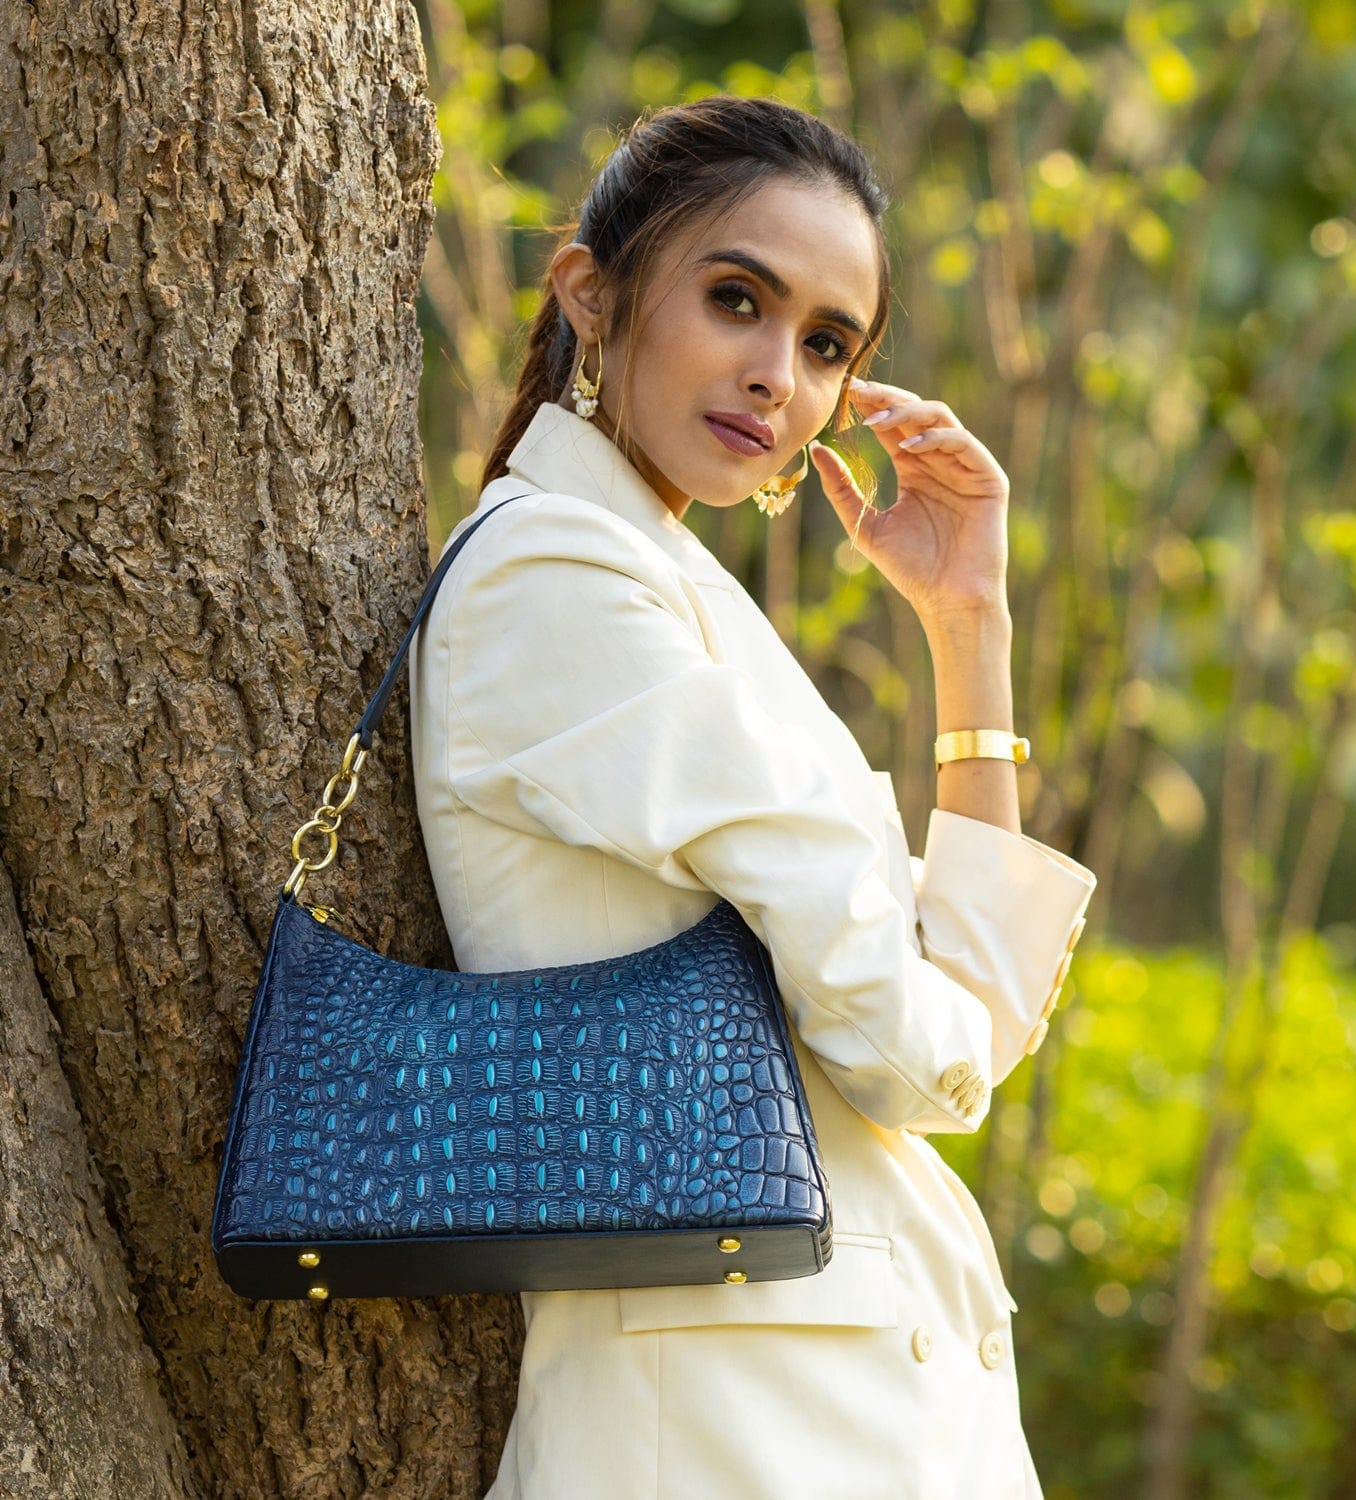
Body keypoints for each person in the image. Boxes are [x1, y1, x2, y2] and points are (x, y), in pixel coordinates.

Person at [409, 93, 1096, 1500]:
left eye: (827, 344)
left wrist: (972, 626)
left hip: (810, 1403)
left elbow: (952, 1016)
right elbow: (919, 1055)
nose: (779, 374)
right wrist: (923, 1001)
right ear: (593, 296)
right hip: (735, 1426)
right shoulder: (562, 584)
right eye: (738, 299)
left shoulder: (666, 592)